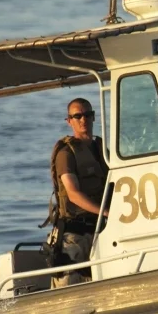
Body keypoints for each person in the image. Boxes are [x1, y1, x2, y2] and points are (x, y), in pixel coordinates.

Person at [44, 97, 109, 287]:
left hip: (99, 230)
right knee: (69, 288)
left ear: (94, 117)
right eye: (77, 116)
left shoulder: (100, 149)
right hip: (74, 233)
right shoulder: (67, 153)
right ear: (69, 121)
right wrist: (106, 212)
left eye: (87, 115)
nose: (83, 120)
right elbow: (73, 193)